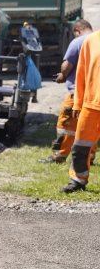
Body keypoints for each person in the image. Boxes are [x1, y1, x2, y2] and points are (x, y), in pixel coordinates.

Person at [39, 20, 95, 164]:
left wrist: (63, 76)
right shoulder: (96, 41)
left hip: (78, 93)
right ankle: (89, 156)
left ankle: (59, 155)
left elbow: (66, 67)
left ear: (77, 31)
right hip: (94, 93)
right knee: (90, 125)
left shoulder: (78, 42)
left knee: (66, 123)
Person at [61, 27, 100, 193]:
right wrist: (77, 103)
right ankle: (77, 180)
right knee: (80, 147)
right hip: (91, 105)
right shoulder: (91, 41)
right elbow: (81, 73)